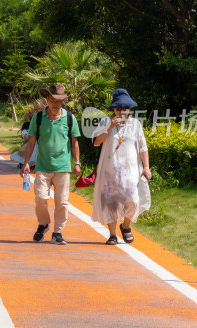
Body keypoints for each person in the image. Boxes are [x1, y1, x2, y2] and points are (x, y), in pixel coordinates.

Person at [19, 84, 81, 245]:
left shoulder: (69, 118)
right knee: (40, 197)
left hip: (63, 167)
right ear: (47, 99)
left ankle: (58, 232)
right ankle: (44, 223)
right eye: (53, 100)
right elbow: (31, 142)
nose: (55, 104)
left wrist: (77, 163)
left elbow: (74, 142)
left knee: (62, 202)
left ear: (63, 102)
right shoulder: (38, 118)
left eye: (59, 101)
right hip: (43, 166)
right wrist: (26, 163)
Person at [92, 89, 151, 245]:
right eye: (119, 108)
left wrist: (147, 167)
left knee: (134, 200)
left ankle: (125, 226)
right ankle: (112, 235)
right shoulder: (105, 122)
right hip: (110, 170)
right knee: (111, 202)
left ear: (129, 109)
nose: (122, 111)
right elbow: (97, 142)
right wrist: (109, 127)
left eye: (125, 108)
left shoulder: (136, 124)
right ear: (113, 109)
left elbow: (143, 147)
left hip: (131, 171)